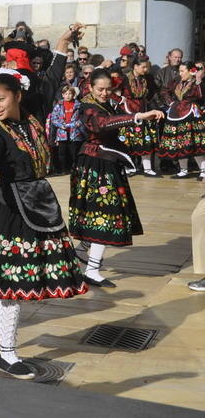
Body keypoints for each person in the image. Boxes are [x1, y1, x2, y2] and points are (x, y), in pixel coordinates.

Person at [0, 70, 88, 380]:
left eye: (1, 99)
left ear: (18, 96)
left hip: (38, 203)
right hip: (9, 210)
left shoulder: (33, 116)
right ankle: (7, 355)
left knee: (24, 280)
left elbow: (51, 80)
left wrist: (61, 50)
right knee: (12, 284)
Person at [68, 69, 164, 287]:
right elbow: (101, 124)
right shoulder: (87, 106)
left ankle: (83, 252)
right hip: (95, 164)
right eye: (100, 89)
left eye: (108, 89)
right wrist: (137, 117)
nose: (104, 93)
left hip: (105, 162)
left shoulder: (106, 103)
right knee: (104, 213)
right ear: (90, 87)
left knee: (100, 212)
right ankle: (92, 269)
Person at [157, 61, 205, 179]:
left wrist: (198, 80)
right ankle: (183, 170)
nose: (180, 73)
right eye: (179, 71)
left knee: (195, 143)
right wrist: (171, 102)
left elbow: (200, 96)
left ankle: (203, 171)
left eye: (182, 71)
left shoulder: (197, 83)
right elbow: (164, 90)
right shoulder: (176, 81)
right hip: (177, 113)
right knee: (180, 142)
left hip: (191, 115)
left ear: (191, 71)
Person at [117, 57, 161, 177]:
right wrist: (120, 99)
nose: (146, 69)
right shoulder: (124, 78)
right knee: (128, 140)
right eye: (143, 67)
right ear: (135, 66)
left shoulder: (148, 78)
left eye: (147, 67)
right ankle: (129, 167)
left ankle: (147, 168)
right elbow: (113, 91)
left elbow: (153, 93)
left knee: (145, 139)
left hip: (143, 109)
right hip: (127, 111)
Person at [49, 85, 84, 174]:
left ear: (73, 95)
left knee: (74, 152)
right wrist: (61, 125)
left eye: (70, 93)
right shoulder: (59, 105)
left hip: (74, 132)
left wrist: (77, 123)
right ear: (62, 95)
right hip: (62, 132)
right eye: (66, 94)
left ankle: (74, 168)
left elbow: (82, 117)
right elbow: (53, 118)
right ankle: (64, 169)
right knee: (62, 152)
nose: (68, 96)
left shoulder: (78, 105)